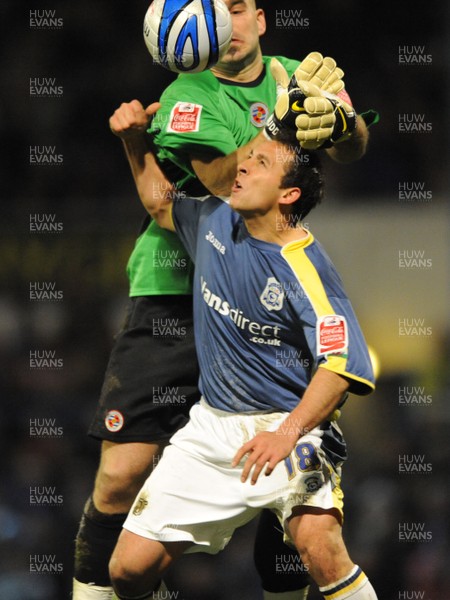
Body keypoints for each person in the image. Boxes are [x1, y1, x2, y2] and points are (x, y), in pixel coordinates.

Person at [73, 2, 374, 599]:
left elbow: (353, 147)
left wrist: (340, 125)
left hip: (262, 294)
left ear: (260, 19)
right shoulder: (186, 96)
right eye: (215, 9)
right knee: (122, 474)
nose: (227, 23)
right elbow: (220, 184)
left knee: (303, 527)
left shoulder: (295, 75)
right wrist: (289, 125)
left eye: (237, 8)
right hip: (177, 293)